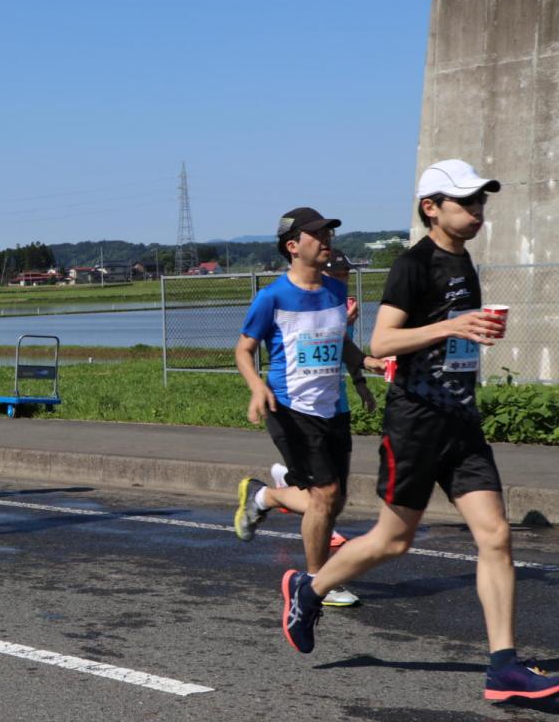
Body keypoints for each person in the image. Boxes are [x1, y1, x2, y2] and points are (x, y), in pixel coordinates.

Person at [279, 160, 559, 702]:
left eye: (480, 201)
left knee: (496, 536)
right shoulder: (413, 264)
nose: (476, 210)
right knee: (394, 540)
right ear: (431, 208)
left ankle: (504, 668)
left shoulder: (464, 261)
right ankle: (309, 591)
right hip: (415, 424)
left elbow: (447, 337)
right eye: (465, 201)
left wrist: (469, 333)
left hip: (461, 421)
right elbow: (382, 343)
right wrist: (454, 325)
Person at [233, 208, 370, 607]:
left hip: (332, 407)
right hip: (289, 406)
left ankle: (265, 496)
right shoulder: (272, 297)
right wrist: (257, 386)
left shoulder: (336, 291)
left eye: (328, 233)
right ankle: (316, 583)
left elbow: (340, 341)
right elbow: (243, 350)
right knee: (325, 495)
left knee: (333, 501)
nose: (326, 240)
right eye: (317, 234)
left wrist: (364, 367)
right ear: (293, 246)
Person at [269, 248, 384, 558]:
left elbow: (345, 350)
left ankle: (280, 487)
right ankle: (316, 558)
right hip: (302, 403)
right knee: (326, 494)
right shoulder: (306, 301)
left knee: (337, 493)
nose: (343, 280)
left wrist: (361, 384)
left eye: (346, 275)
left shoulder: (340, 302)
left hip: (335, 399)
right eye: (337, 274)